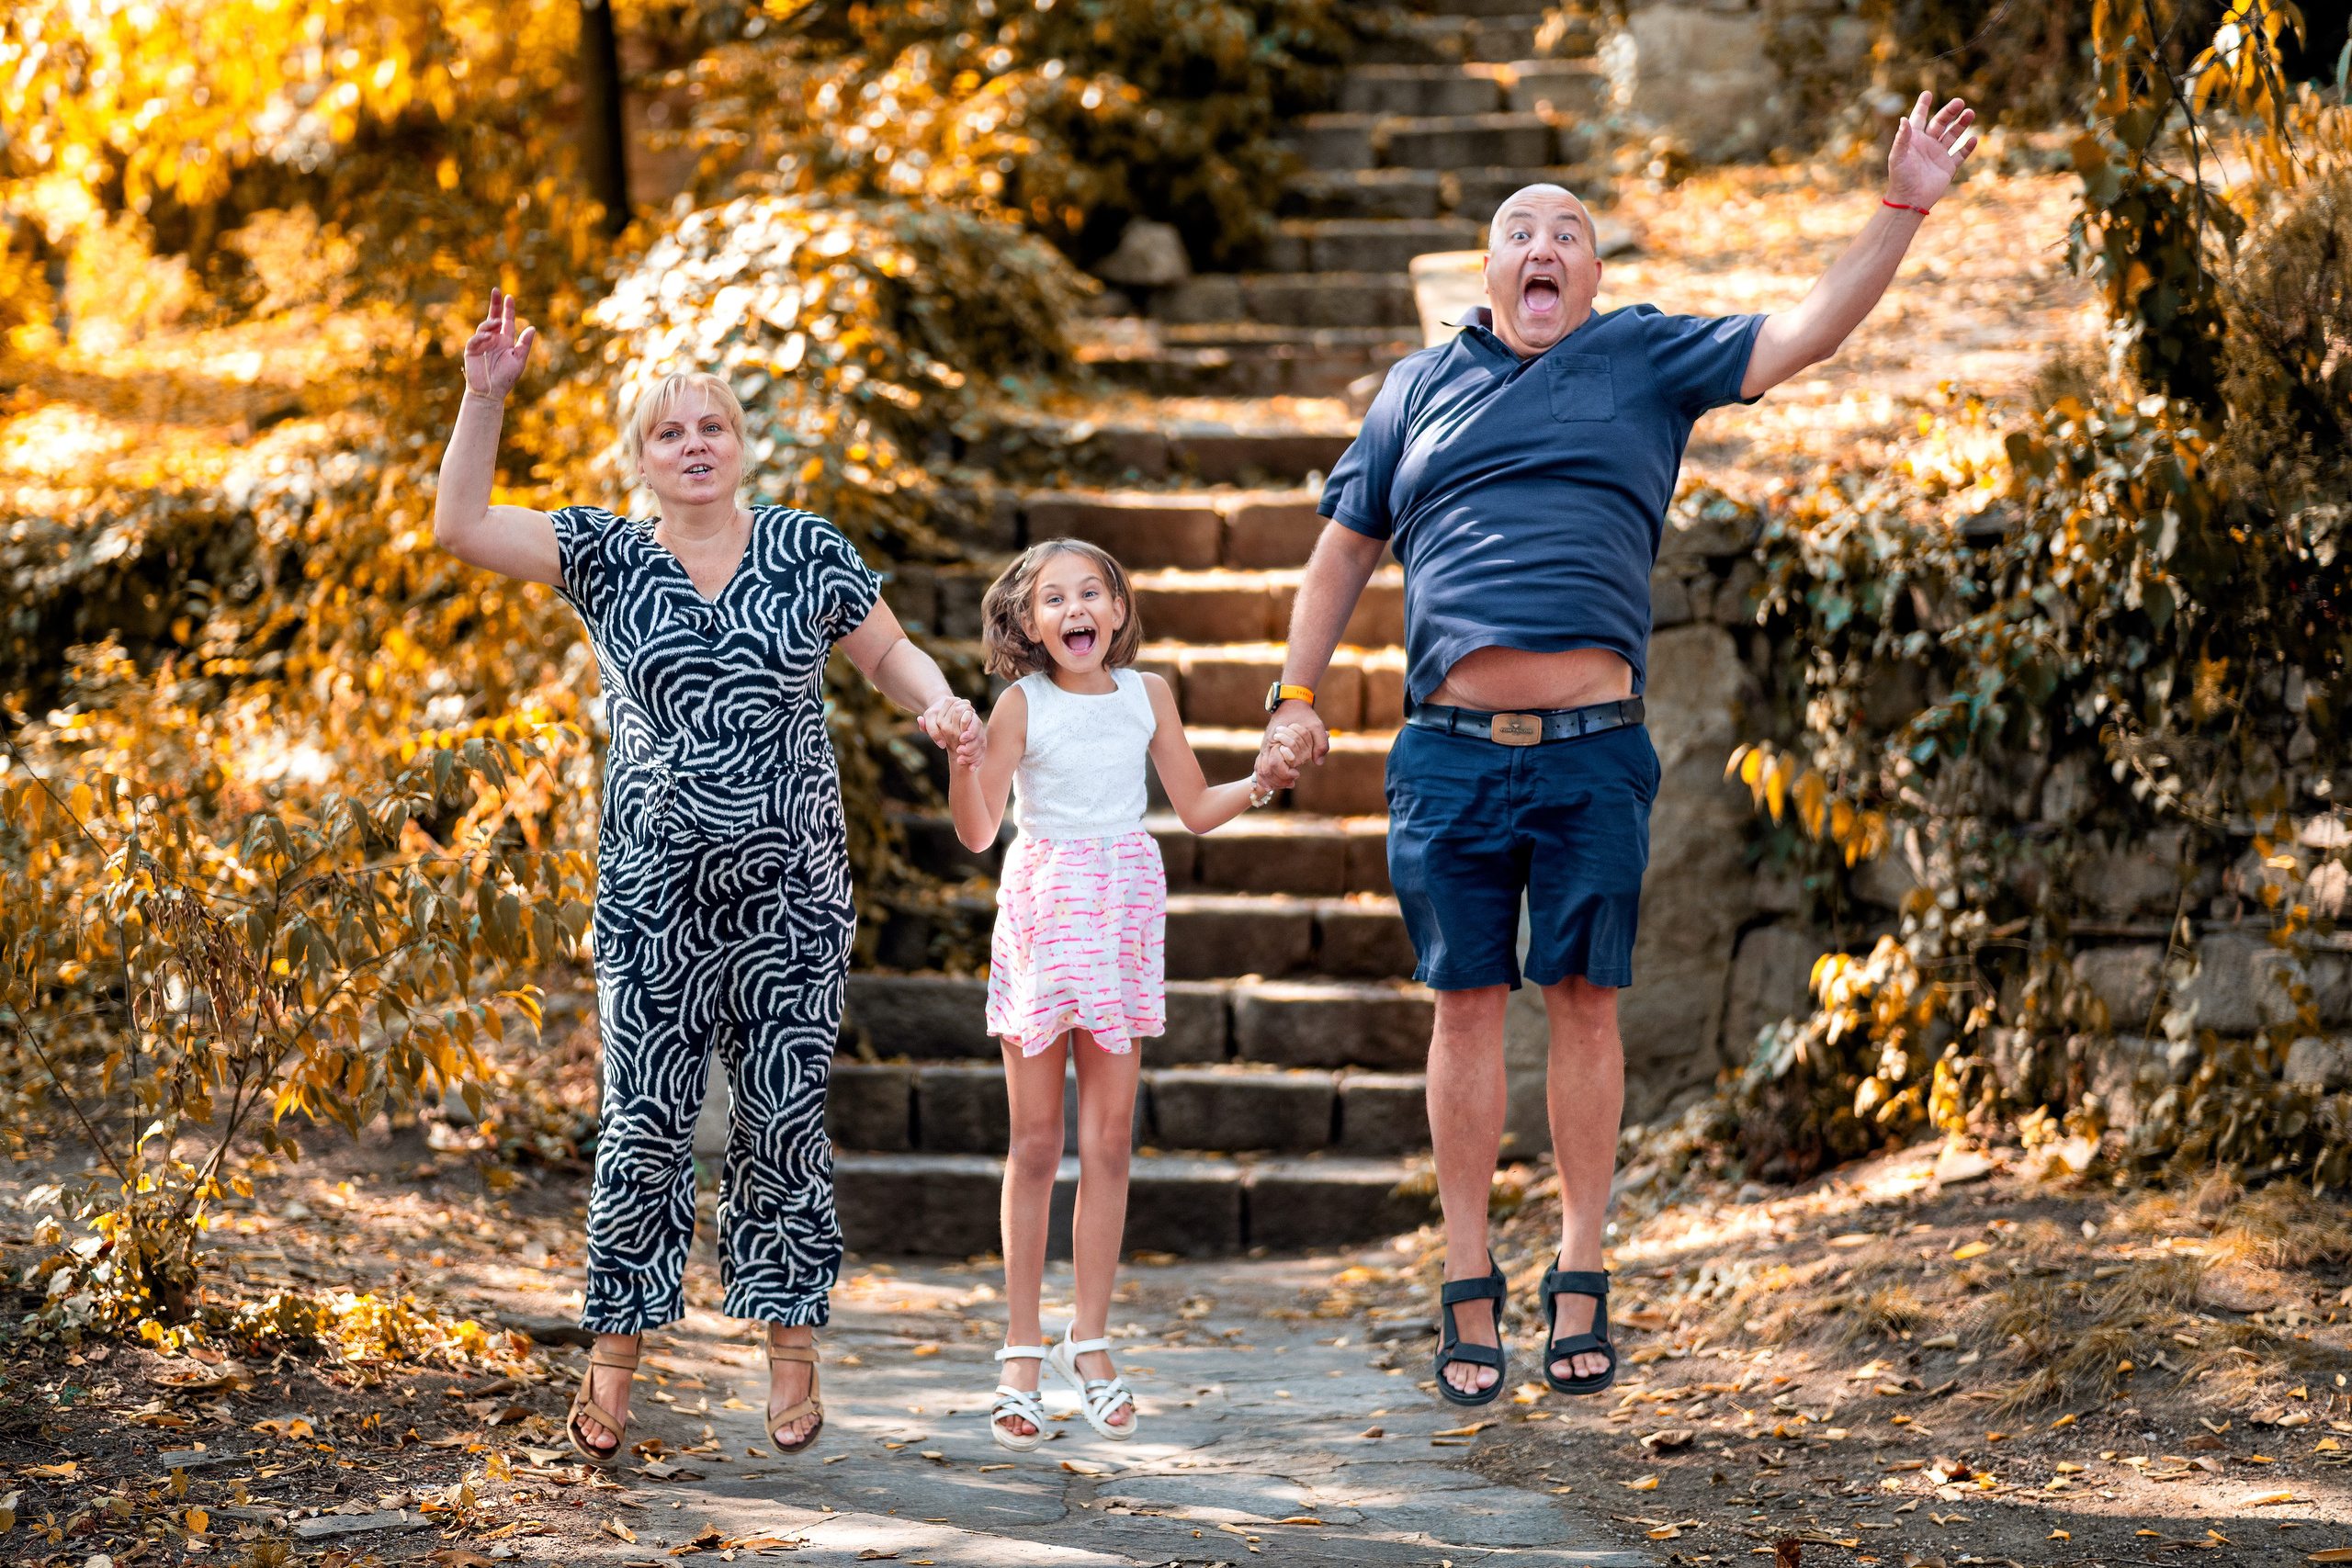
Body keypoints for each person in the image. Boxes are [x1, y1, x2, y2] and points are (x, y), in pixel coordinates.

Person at [1255, 95, 1981, 1404]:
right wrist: (1292, 694)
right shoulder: (1414, 388)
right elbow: (1340, 552)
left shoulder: (1645, 356)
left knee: (1586, 999)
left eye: (1569, 233)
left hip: (1595, 752)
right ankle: (1466, 1273)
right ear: (1489, 272)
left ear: (1592, 276)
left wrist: (1904, 207)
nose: (1545, 245)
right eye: (1519, 231)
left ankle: (1580, 1266)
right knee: (1466, 1003)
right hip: (1448, 753)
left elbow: (1806, 332)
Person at [432, 289, 983, 1462]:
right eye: (668, 432)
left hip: (793, 890)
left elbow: (887, 653)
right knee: (643, 1125)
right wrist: (484, 401)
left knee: (782, 1118)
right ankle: (615, 1364)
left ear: (741, 447)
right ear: (640, 458)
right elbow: (463, 526)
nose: (693, 446)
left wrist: (939, 703)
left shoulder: (806, 550)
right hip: (651, 894)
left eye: (712, 428)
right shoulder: (605, 554)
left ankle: (789, 1351)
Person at [946, 539, 1302, 1450]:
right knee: (1035, 1142)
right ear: (1029, 624)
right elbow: (982, 830)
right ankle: (1021, 1351)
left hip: (1119, 918)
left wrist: (1259, 782)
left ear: (1116, 609)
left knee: (1109, 1140)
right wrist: (962, 760)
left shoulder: (1148, 696)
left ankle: (1089, 1341)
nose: (1075, 609)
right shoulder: (1019, 704)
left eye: (1090, 592)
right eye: (1053, 598)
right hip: (1044, 914)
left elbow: (1190, 804)